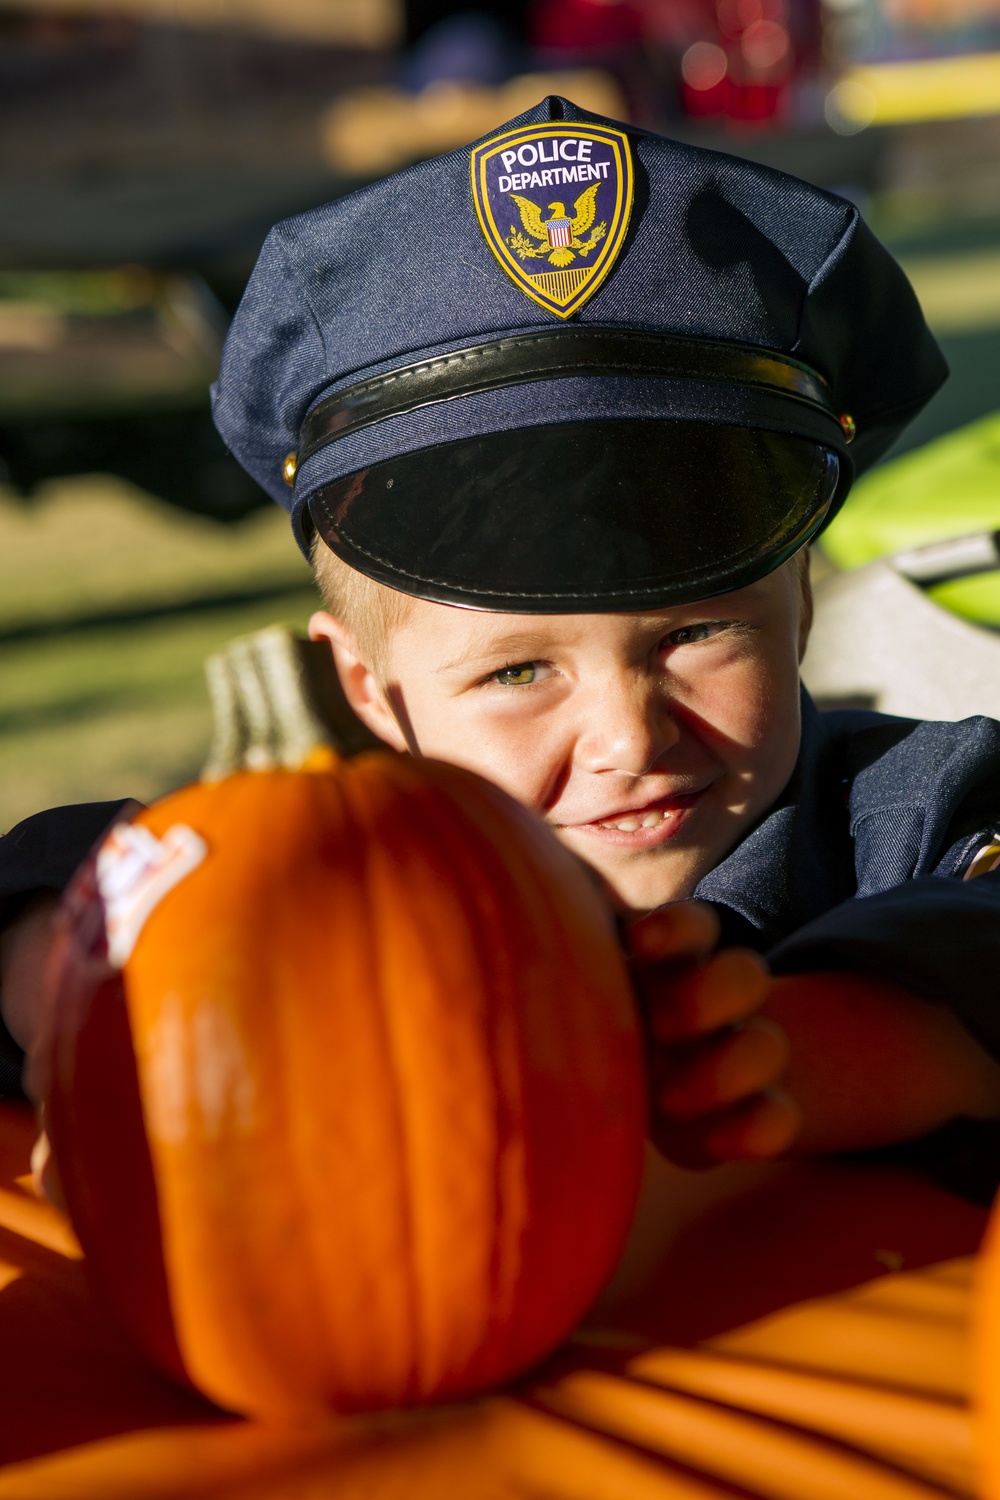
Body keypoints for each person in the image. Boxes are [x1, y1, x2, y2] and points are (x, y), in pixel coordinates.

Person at [3, 97, 1000, 1185]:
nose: (628, 738)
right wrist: (61, 945)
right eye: (518, 669)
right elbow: (136, 870)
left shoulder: (924, 810)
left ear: (798, 603)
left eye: (696, 631)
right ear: (368, 691)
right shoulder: (344, 879)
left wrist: (846, 1033)